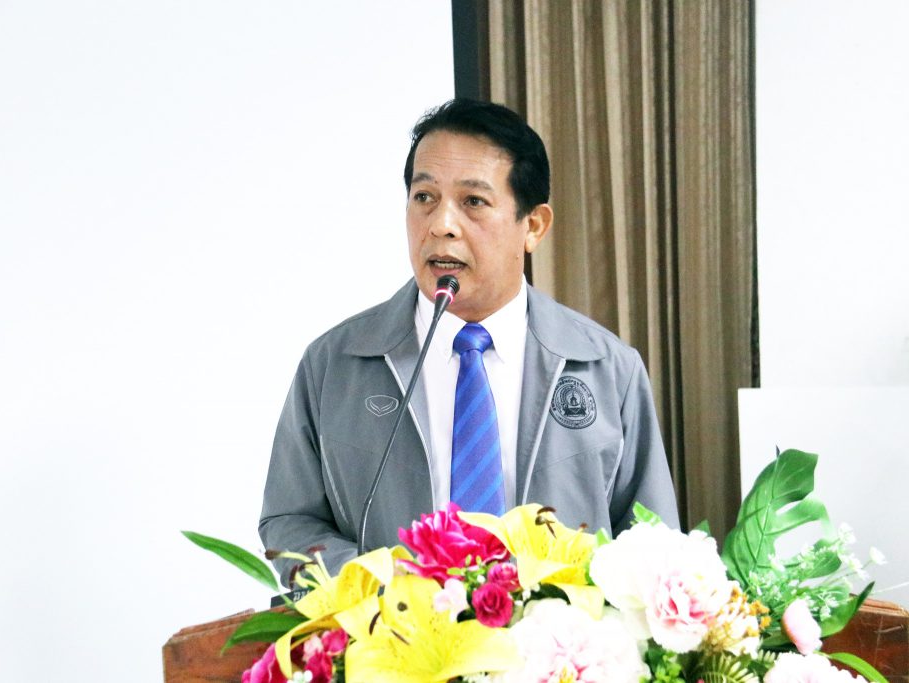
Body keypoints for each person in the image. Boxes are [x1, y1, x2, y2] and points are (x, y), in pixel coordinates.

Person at [260, 99, 678, 584]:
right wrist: (379, 586)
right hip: (391, 629)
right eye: (424, 197)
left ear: (533, 226)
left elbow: (654, 542)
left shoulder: (605, 367)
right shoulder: (335, 364)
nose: (441, 224)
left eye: (473, 202)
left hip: (557, 634)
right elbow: (289, 522)